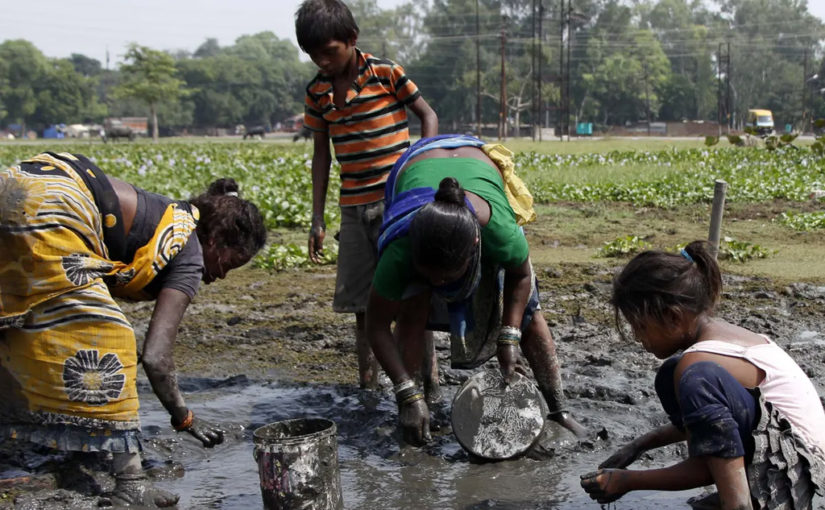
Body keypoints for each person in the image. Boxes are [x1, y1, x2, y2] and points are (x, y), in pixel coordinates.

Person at [0, 152, 267, 507]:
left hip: (15, 185)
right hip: (52, 203)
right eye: (229, 264)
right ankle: (131, 482)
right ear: (216, 240)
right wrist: (184, 418)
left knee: (24, 322)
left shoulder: (166, 220)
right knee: (111, 338)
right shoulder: (187, 251)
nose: (219, 276)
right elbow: (155, 358)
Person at [365, 135, 585, 446]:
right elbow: (377, 325)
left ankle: (559, 409)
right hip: (415, 168)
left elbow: (520, 278)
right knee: (412, 307)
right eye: (432, 277)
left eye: (447, 276)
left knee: (531, 315)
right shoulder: (401, 247)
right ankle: (412, 407)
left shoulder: (499, 232)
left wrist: (509, 337)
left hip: (476, 162)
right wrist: (405, 391)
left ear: (475, 248)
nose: (440, 285)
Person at [581, 240, 825, 509]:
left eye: (639, 326)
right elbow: (718, 437)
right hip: (798, 459)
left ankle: (738, 503)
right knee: (670, 375)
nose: (637, 337)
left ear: (673, 318)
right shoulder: (727, 338)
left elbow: (712, 463)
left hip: (799, 478)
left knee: (689, 376)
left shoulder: (697, 369)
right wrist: (640, 445)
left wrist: (628, 481)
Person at [295, 0, 439, 390]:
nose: (322, 61)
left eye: (329, 52)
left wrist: (422, 172)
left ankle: (428, 381)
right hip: (353, 207)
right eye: (313, 55)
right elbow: (321, 156)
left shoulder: (386, 73)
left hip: (398, 203)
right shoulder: (318, 92)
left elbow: (428, 115)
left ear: (352, 40)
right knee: (362, 302)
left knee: (413, 295)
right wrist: (317, 218)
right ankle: (368, 384)